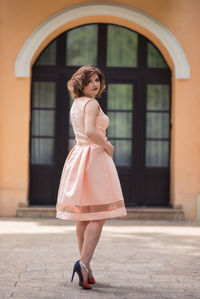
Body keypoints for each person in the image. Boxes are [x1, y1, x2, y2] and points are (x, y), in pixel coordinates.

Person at [56, 65, 127, 290]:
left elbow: (83, 133)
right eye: (89, 81)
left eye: (97, 80)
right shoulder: (92, 103)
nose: (95, 84)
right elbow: (89, 131)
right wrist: (107, 145)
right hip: (94, 158)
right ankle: (84, 263)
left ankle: (85, 266)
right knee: (99, 214)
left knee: (85, 216)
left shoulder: (76, 104)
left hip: (79, 157)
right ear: (81, 84)